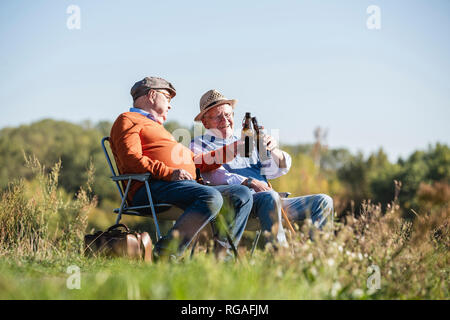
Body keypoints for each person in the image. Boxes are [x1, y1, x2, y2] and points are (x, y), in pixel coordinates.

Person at [110, 78, 252, 259]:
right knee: (210, 196)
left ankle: (222, 258)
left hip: (179, 186)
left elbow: (195, 161)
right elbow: (131, 159)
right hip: (150, 186)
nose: (170, 106)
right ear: (152, 95)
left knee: (242, 194)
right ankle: (166, 252)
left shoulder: (158, 128)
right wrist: (169, 173)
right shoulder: (128, 119)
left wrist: (235, 148)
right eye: (168, 98)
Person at [190, 89, 334, 244]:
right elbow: (213, 175)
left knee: (323, 201)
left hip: (271, 201)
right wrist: (250, 181)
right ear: (205, 122)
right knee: (270, 197)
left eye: (228, 114)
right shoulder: (199, 144)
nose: (225, 120)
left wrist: (273, 150)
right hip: (238, 204)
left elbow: (277, 169)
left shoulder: (248, 140)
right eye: (218, 116)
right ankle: (281, 257)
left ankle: (320, 257)